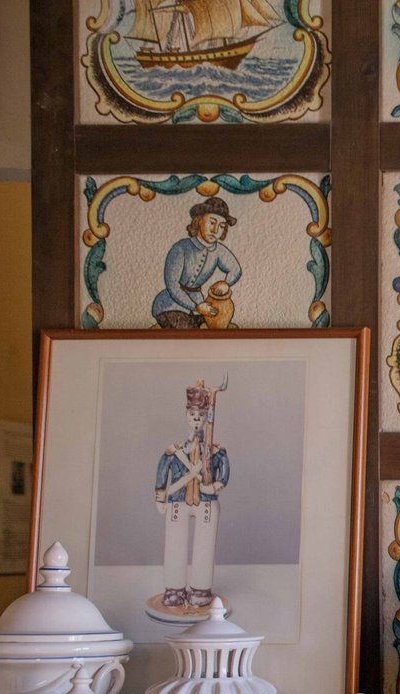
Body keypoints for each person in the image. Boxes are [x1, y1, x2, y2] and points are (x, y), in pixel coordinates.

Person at [153, 381, 228, 614]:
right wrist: (160, 497)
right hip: (178, 500)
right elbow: (162, 472)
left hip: (205, 503)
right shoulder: (174, 451)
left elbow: (224, 473)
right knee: (175, 544)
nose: (197, 420)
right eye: (193, 415)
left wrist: (213, 487)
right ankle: (174, 589)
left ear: (206, 418)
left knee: (205, 545)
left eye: (201, 415)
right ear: (186, 415)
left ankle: (201, 589)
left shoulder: (216, 451)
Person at [152, 196, 242, 330]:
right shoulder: (181, 248)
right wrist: (196, 306)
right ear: (199, 221)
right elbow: (172, 285)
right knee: (190, 330)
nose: (215, 230)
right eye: (212, 223)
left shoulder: (218, 250)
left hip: (199, 305)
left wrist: (226, 283)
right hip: (170, 305)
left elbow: (236, 269)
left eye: (221, 226)